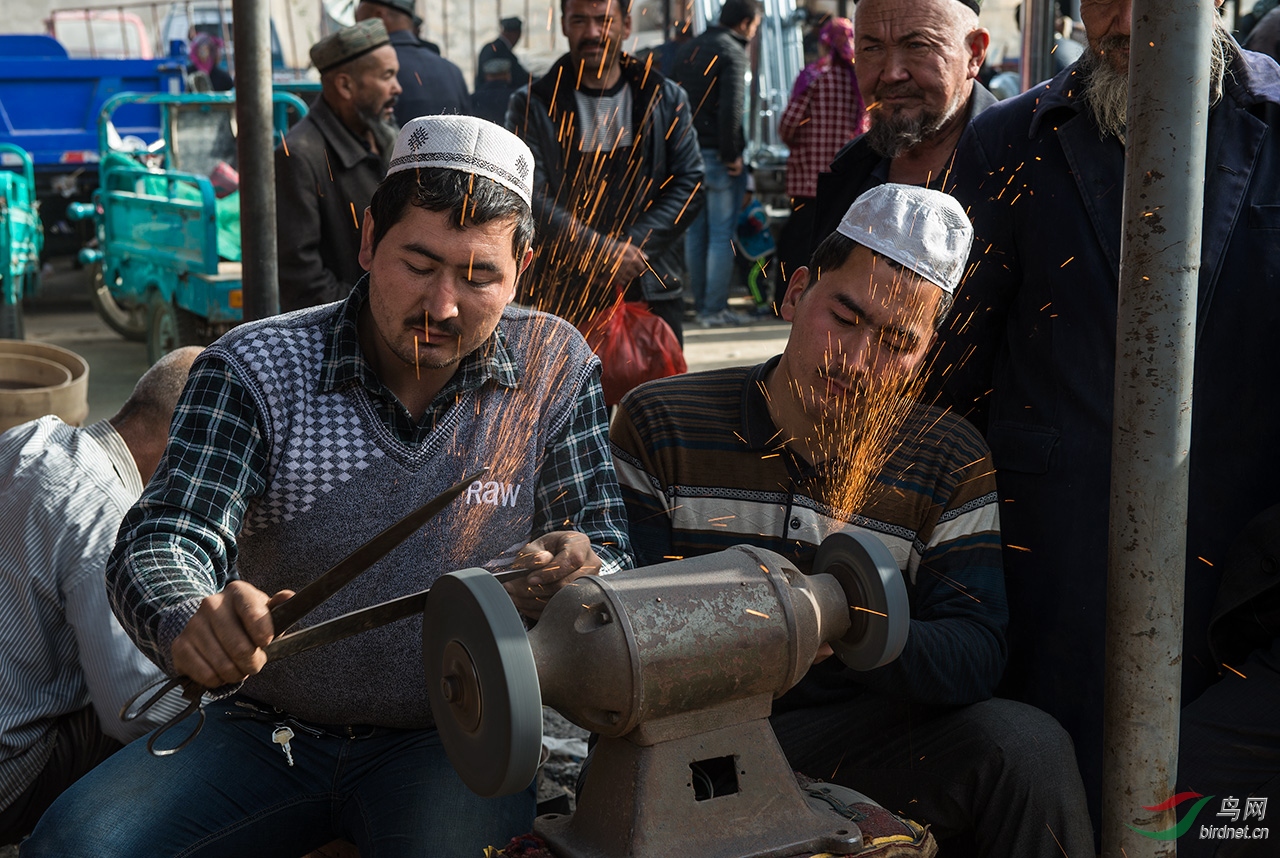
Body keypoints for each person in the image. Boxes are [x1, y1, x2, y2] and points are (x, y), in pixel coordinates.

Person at [23, 115, 633, 858]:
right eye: (419, 263)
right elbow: (165, 537)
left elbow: (610, 551)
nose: (443, 306)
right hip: (261, 728)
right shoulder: (256, 366)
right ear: (370, 239)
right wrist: (193, 617)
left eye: (480, 277)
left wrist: (585, 569)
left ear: (523, 268)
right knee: (77, 845)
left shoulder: (553, 365)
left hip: (455, 737)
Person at [611, 184, 1094, 856]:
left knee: (1027, 748)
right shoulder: (662, 422)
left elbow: (977, 652)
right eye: (845, 316)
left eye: (898, 341)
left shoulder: (948, 458)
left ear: (928, 352)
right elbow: (621, 619)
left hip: (857, 737)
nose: (858, 360)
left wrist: (854, 626)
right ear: (795, 292)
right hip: (689, 745)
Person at [939, 0, 1280, 837]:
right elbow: (955, 369)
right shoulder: (1011, 140)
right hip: (1058, 565)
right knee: (1076, 801)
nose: (1130, 20)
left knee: (1205, 818)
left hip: (1248, 566)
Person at [0, 347, 202, 845]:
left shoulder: (30, 437)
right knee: (186, 725)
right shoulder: (108, 522)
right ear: (179, 448)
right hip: (8, 778)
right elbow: (134, 713)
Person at [507, 0, 703, 344]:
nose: (593, 32)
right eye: (580, 20)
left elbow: (690, 183)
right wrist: (593, 250)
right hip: (561, 290)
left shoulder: (665, 97)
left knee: (653, 396)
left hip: (649, 281)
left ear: (625, 26)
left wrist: (632, 247)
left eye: (604, 20)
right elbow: (527, 192)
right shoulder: (532, 103)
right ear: (564, 25)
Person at [811, 0, 993, 246]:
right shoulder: (852, 168)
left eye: (917, 46)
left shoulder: (1022, 172)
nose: (891, 73)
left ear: (974, 53)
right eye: (871, 48)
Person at [276, 20, 401, 312]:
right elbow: (303, 281)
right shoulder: (299, 155)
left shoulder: (386, 138)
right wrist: (371, 314)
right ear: (345, 84)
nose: (398, 87)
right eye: (387, 76)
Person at [670, 0, 762, 328]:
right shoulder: (732, 53)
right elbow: (732, 109)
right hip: (718, 158)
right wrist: (731, 154)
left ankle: (701, 305)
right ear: (746, 22)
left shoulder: (689, 49)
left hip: (689, 157)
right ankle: (715, 309)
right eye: (755, 24)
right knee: (721, 235)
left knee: (696, 234)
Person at [777, 17, 867, 297]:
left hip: (808, 176)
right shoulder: (861, 79)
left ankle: (786, 298)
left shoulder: (814, 76)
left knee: (797, 241)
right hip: (846, 178)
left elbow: (789, 124)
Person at [355, 0, 471, 125]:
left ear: (378, 17)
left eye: (359, 23)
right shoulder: (452, 71)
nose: (358, 30)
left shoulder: (366, 68)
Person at [473, 17, 531, 125]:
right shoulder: (504, 53)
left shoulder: (488, 48)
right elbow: (521, 77)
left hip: (482, 103)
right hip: (501, 105)